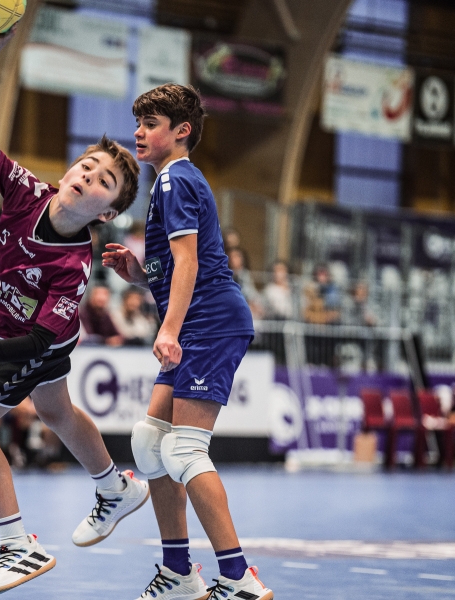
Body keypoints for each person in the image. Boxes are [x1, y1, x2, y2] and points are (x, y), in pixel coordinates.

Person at [0, 27, 147, 598]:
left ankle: (18, 544)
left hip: (38, 342)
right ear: (68, 173)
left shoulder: (72, 268)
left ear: (109, 211)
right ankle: (115, 486)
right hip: (20, 333)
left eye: (104, 182)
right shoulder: (23, 190)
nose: (87, 177)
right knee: (58, 412)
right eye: (85, 167)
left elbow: (35, 343)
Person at [103, 83, 273, 600]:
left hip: (209, 321)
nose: (138, 132)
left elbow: (191, 262)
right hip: (201, 316)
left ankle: (239, 578)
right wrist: (139, 274)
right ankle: (178, 573)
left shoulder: (175, 178)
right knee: (149, 444)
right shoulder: (170, 183)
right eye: (138, 122)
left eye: (150, 124)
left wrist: (169, 329)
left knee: (183, 448)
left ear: (181, 132)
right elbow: (175, 265)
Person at [227, 247, 264, 319]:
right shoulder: (227, 276)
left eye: (236, 256)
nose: (233, 259)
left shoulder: (245, 275)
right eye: (231, 257)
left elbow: (251, 293)